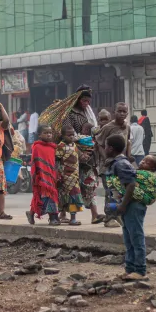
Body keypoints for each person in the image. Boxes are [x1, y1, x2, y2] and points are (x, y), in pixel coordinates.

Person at [103, 134, 148, 280]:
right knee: (129, 239)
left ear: (111, 148)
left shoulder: (121, 164)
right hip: (126, 205)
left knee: (136, 237)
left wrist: (122, 205)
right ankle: (130, 269)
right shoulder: (116, 162)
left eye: (105, 146)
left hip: (132, 205)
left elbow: (131, 184)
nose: (104, 149)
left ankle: (140, 270)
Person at [62, 86, 105, 224]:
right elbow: (68, 135)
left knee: (90, 183)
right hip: (72, 154)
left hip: (90, 155)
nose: (86, 104)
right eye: (84, 100)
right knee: (68, 186)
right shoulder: (69, 114)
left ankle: (95, 214)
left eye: (88, 101)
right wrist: (79, 152)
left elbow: (93, 131)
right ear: (78, 99)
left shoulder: (88, 113)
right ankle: (63, 213)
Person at [26, 125, 60, 226]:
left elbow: (54, 163)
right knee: (43, 197)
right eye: (46, 133)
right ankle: (52, 217)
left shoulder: (53, 147)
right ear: (40, 135)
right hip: (41, 178)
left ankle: (50, 216)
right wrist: (35, 177)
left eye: (50, 132)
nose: (49, 134)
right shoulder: (36, 147)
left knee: (50, 197)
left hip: (52, 176)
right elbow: (35, 163)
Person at [55, 126, 85, 226]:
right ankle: (71, 219)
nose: (71, 137)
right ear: (63, 136)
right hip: (65, 176)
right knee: (71, 196)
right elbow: (57, 160)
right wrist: (58, 174)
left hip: (75, 176)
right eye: (69, 135)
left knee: (72, 196)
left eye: (73, 135)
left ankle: (68, 217)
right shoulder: (61, 146)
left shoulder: (74, 145)